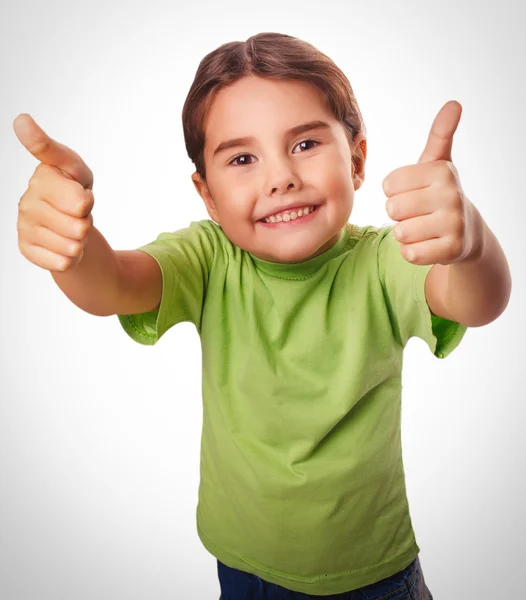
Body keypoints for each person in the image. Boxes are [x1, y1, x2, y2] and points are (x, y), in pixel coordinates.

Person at [14, 32, 511, 599]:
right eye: (243, 159)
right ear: (207, 194)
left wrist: (469, 245)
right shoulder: (207, 258)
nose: (280, 178)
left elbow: (476, 300)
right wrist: (73, 248)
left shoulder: (382, 261)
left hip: (368, 575)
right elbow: (111, 285)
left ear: (357, 160)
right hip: (240, 560)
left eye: (304, 145)